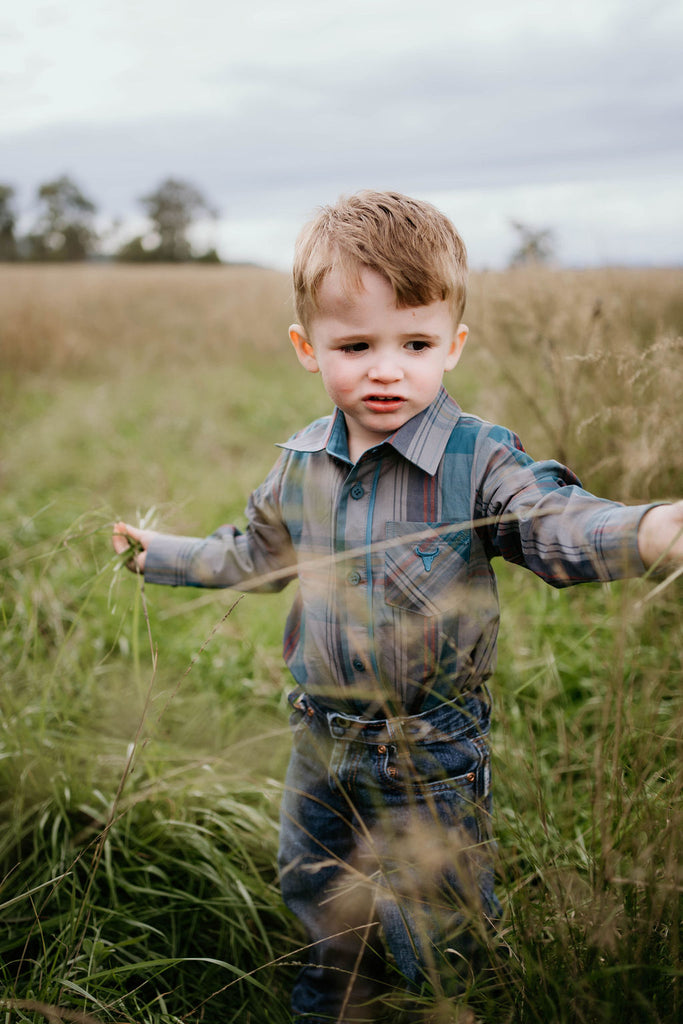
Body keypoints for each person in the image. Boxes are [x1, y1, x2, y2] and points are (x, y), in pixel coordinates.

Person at [112, 191, 682, 1024]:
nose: (386, 368)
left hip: (429, 748)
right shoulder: (301, 464)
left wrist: (650, 530)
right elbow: (252, 555)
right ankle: (332, 1005)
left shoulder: (476, 458)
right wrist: (158, 554)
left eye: (414, 343)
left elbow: (549, 523)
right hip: (319, 735)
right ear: (308, 349)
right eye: (356, 345)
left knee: (436, 928)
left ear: (452, 343)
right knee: (315, 890)